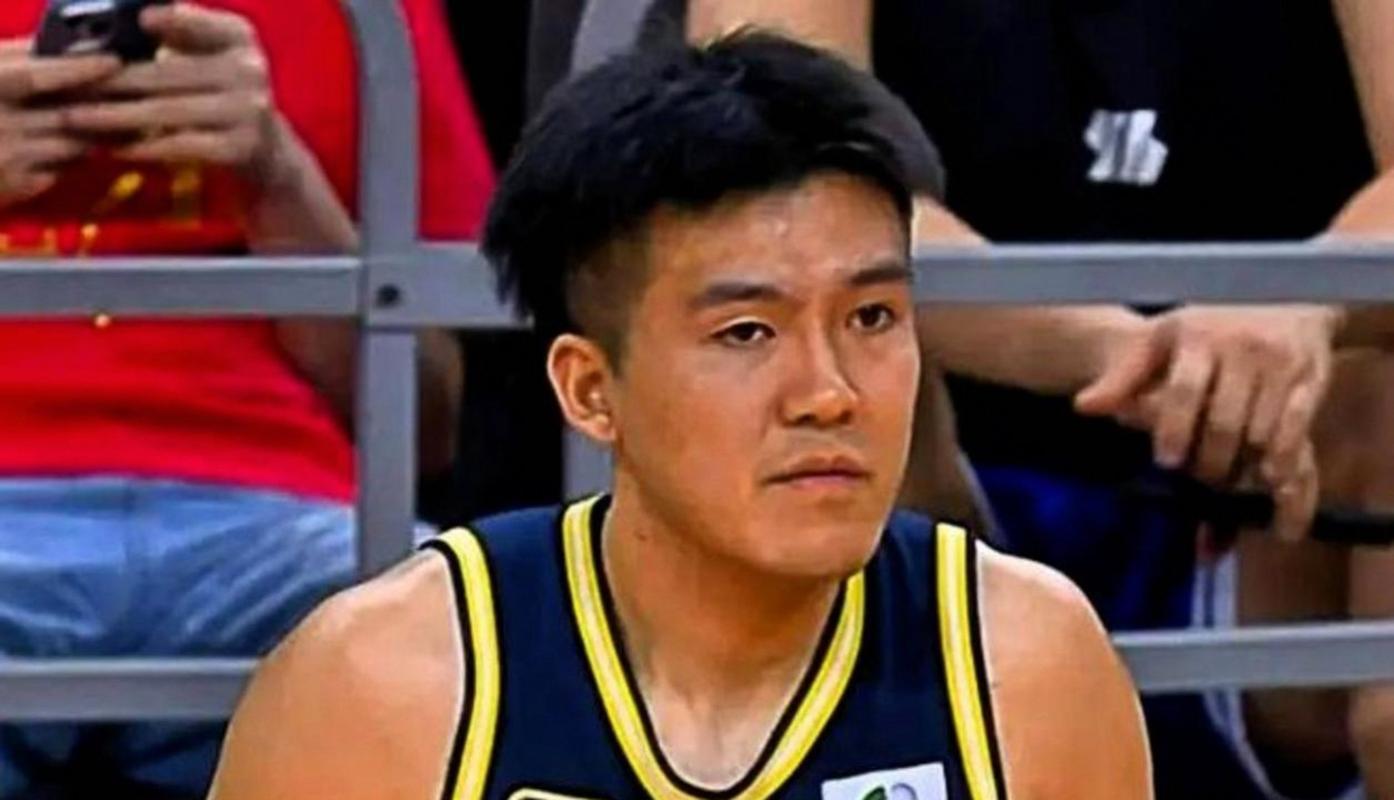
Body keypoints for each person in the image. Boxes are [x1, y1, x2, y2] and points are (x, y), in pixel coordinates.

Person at [208, 33, 1151, 800]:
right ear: (590, 391)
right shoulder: (387, 684)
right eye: (747, 332)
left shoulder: (1025, 663)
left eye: (872, 318)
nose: (829, 392)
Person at [670, 0, 1394, 797]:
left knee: (1379, 390)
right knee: (800, 354)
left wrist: (1300, 309)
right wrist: (1109, 348)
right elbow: (773, 176)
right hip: (945, 462)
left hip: (1279, 491)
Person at [0, 0, 493, 795]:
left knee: (478, 648)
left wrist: (275, 176)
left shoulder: (370, 16)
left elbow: (428, 425)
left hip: (283, 515)